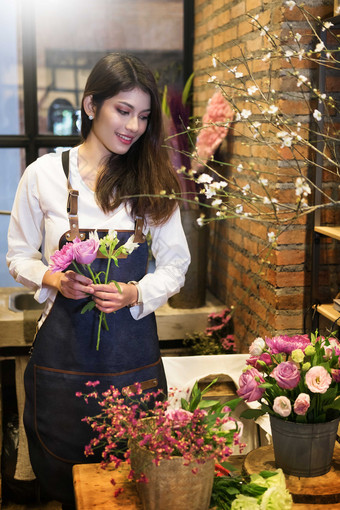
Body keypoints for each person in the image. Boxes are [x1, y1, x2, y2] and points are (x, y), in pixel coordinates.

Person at [7, 53, 190, 508]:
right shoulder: (44, 176)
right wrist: (53, 277)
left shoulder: (154, 180)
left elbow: (175, 265)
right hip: (60, 370)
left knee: (132, 486)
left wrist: (136, 292)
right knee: (67, 484)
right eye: (122, 110)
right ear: (91, 105)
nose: (133, 126)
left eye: (143, 116)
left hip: (132, 367)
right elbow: (17, 254)